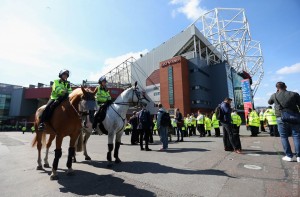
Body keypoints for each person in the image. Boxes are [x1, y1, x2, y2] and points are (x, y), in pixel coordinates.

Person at [268, 82, 300, 162]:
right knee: (296, 136)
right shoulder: (294, 94)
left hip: (281, 117)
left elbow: (269, 102)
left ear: (277, 88)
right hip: (294, 117)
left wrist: (276, 93)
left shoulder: (274, 95)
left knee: (284, 137)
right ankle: (299, 156)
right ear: (286, 86)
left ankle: (289, 156)